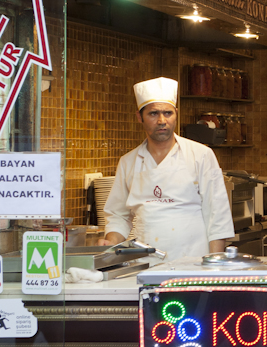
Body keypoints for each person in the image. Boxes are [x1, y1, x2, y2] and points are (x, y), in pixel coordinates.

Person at [100, 76, 235, 262]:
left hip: (193, 262)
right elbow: (118, 216)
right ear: (140, 117)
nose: (162, 120)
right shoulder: (128, 162)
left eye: (168, 113)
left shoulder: (201, 155)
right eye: (153, 114)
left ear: (176, 114)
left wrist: (214, 265)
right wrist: (110, 242)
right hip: (143, 263)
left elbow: (217, 215)